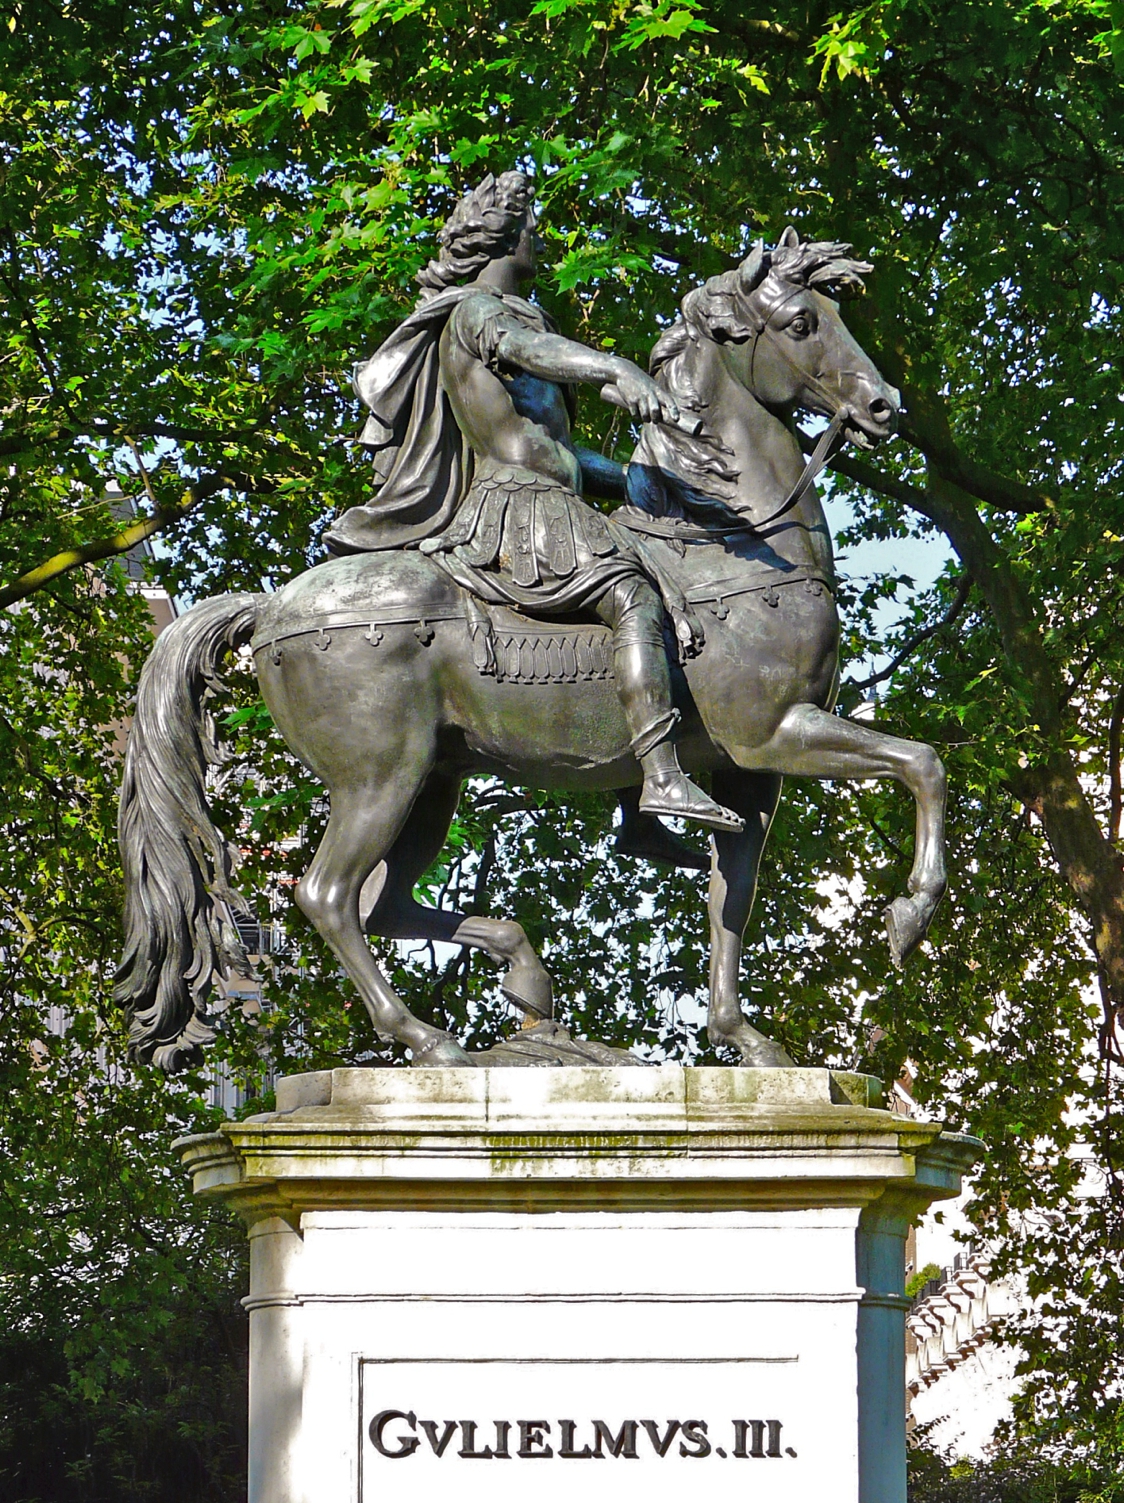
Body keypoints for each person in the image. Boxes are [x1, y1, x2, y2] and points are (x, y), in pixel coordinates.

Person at [325, 170, 742, 834]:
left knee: (658, 589)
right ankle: (661, 780)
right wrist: (615, 367)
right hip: (518, 512)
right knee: (632, 595)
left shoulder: (523, 315)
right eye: (528, 227)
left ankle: (636, 809)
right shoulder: (478, 313)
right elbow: (529, 355)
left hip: (551, 498)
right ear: (499, 237)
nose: (537, 238)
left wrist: (646, 482)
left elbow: (558, 453)